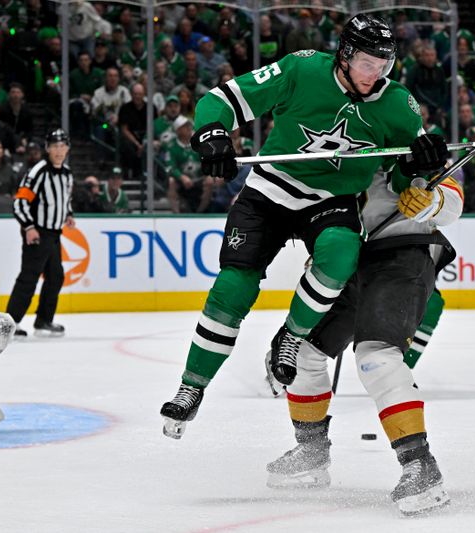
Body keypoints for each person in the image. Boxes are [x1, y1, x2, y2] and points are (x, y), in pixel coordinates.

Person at [159, 15, 448, 446]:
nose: (377, 74)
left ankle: (291, 339)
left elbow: (404, 180)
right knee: (232, 288)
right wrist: (214, 135)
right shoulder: (302, 68)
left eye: (385, 65)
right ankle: (192, 386)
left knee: (339, 252)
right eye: (369, 63)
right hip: (270, 189)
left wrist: (420, 165)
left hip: (333, 200)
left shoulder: (398, 105)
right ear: (346, 55)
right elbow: (222, 100)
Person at [264, 167, 462, 515]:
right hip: (351, 264)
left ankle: (420, 465)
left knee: (376, 357)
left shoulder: (400, 136)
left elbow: (452, 200)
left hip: (401, 252)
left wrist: (433, 200)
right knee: (302, 350)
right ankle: (311, 450)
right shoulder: (331, 145)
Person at [6, 129, 75, 338]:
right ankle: (10, 323)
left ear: (68, 148)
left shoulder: (67, 173)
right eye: (54, 146)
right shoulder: (39, 171)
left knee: (56, 277)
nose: (59, 150)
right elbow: (20, 202)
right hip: (37, 233)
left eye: (63, 146)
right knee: (29, 278)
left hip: (54, 234)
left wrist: (68, 214)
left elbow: (65, 199)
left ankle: (44, 320)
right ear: (47, 148)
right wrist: (29, 227)